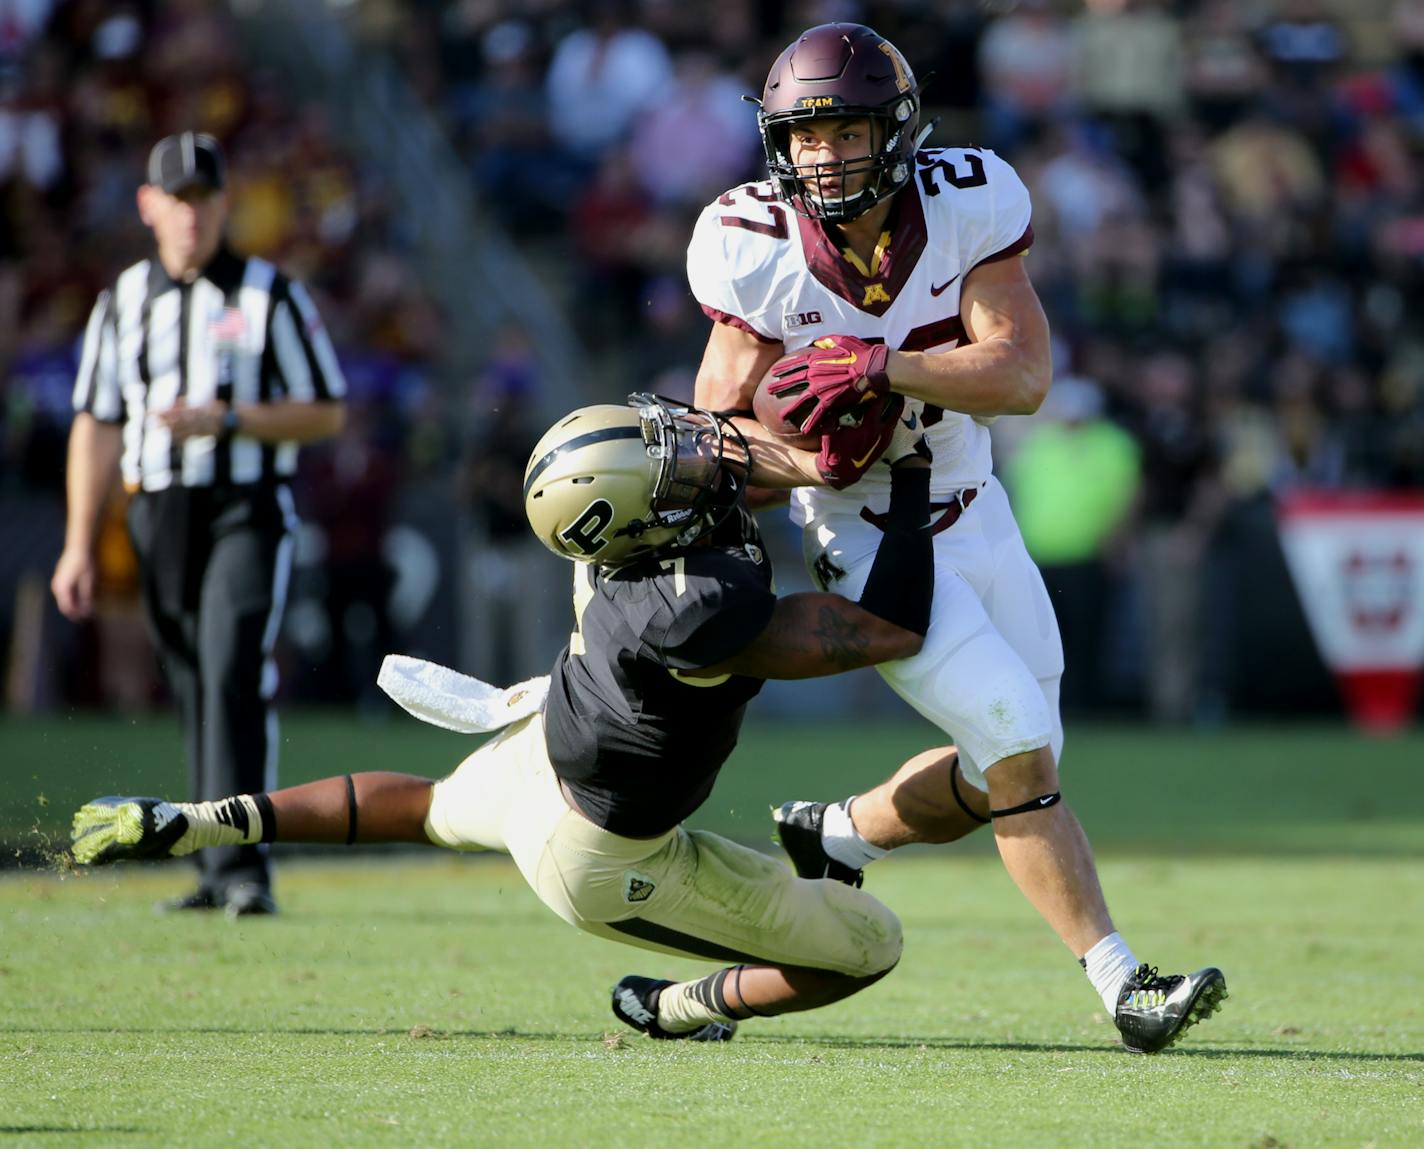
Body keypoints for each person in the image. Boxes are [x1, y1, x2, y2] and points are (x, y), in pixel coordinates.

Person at [71, 392, 933, 1041]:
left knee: (428, 808)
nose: (696, 455)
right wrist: (912, 470)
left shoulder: (623, 546)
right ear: (642, 519)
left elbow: (718, 482)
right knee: (870, 943)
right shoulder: (698, 607)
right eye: (670, 464)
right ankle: (678, 1007)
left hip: (536, 755)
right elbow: (885, 627)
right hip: (603, 856)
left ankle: (201, 820)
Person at [688, 22, 1226, 1053]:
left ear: (896, 131)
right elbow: (724, 439)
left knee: (1009, 770)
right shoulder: (746, 245)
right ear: (775, 143)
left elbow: (1019, 377)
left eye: (845, 131)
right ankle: (1123, 985)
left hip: (974, 499)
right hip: (866, 525)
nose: (824, 155)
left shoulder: (966, 198)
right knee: (1015, 745)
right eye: (804, 136)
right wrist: (810, 458)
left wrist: (877, 368)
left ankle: (834, 831)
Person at [51, 132, 348, 919]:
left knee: (230, 668)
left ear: (225, 203)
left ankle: (244, 865)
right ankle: (211, 864)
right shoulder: (122, 300)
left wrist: (230, 418)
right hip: (157, 510)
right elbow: (97, 422)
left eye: (205, 198)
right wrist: (80, 541)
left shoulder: (269, 294)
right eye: (176, 199)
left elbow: (327, 410)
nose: (191, 215)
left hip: (246, 509)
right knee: (190, 680)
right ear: (149, 206)